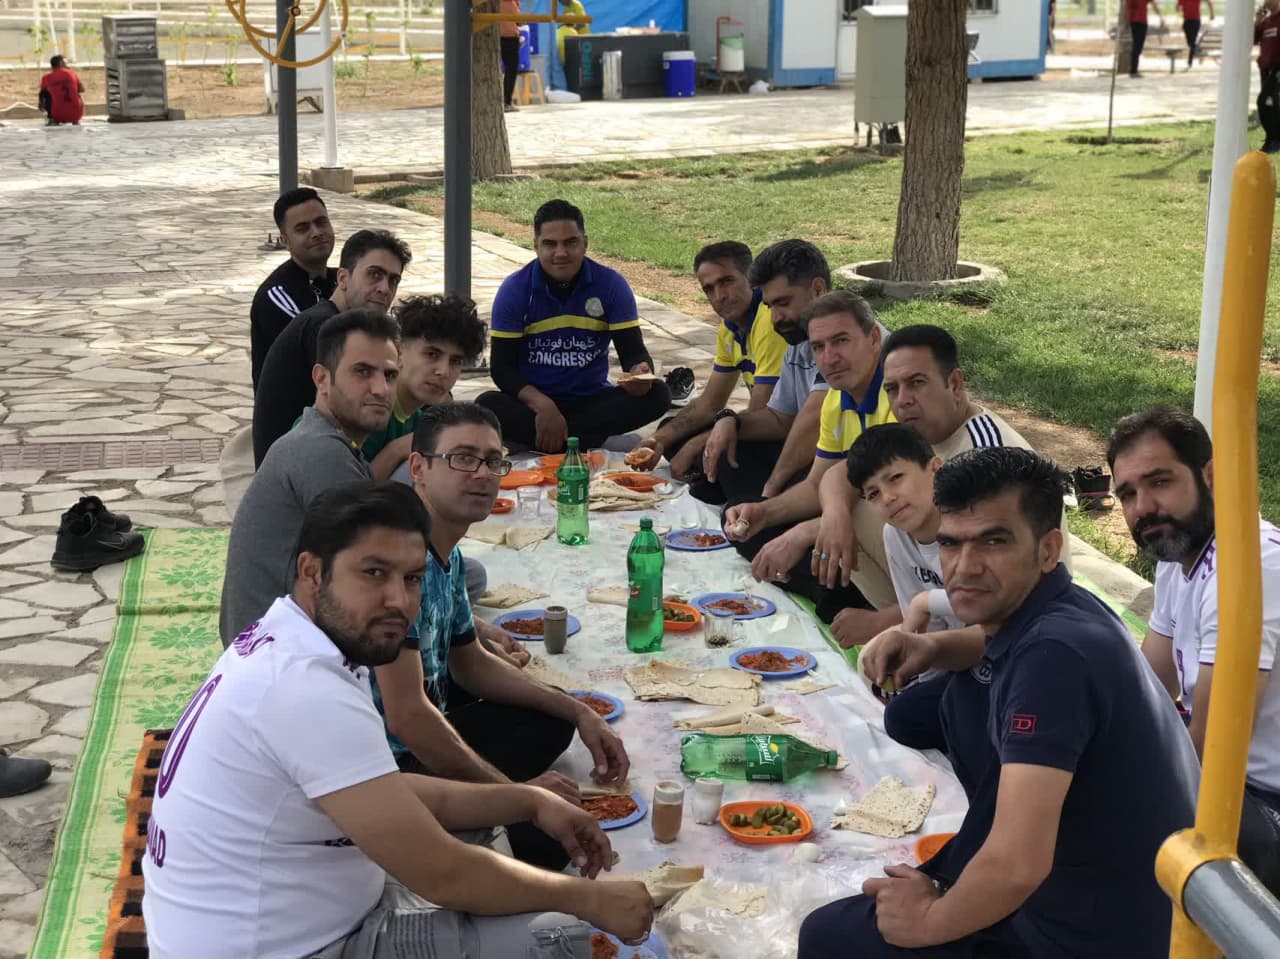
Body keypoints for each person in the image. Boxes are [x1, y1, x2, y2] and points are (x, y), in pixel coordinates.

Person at [145, 481, 653, 958]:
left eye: (411, 579)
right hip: (300, 947)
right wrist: (589, 901)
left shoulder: (294, 641)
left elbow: (390, 790)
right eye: (374, 573)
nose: (399, 601)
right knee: (561, 937)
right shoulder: (305, 690)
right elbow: (442, 874)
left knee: (500, 839)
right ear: (312, 572)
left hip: (290, 919)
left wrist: (528, 800)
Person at [802, 447, 1199, 959]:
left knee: (828, 936)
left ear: (1049, 549)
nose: (965, 567)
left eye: (994, 541)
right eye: (951, 543)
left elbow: (1017, 866)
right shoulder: (1068, 609)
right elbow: (995, 644)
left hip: (1088, 935)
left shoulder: (1054, 659)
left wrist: (928, 920)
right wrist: (932, 647)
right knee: (962, 693)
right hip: (1137, 899)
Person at [370, 402, 630, 870]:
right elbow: (407, 718)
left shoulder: (444, 550)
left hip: (428, 727)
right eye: (462, 458)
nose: (482, 474)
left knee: (552, 717)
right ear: (418, 469)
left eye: (493, 461)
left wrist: (579, 709)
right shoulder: (400, 565)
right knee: (550, 841)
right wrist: (518, 795)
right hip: (387, 771)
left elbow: (469, 661)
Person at [812, 324, 1072, 648]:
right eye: (892, 389)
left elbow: (1004, 576)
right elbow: (846, 471)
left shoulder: (987, 453)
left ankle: (902, 621)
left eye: (916, 383)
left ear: (955, 384)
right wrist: (832, 516)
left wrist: (886, 623)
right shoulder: (923, 434)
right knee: (860, 513)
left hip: (1014, 612)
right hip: (948, 594)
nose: (903, 401)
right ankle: (908, 619)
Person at [1109, 405, 1280, 895]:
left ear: (1211, 476)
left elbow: (1210, 742)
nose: (1143, 507)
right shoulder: (1178, 555)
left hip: (1263, 800)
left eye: (1159, 482)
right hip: (1235, 781)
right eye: (1128, 493)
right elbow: (1147, 685)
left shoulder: (1249, 565)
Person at [220, 309, 399, 646]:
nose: (380, 389)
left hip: (275, 639)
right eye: (362, 372)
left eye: (390, 375)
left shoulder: (323, 438)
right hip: (278, 653)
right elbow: (373, 575)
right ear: (322, 379)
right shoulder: (321, 452)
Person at [724, 291, 896, 621]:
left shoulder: (897, 396)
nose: (829, 358)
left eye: (841, 341)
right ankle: (832, 589)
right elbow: (818, 482)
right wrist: (765, 512)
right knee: (743, 519)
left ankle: (844, 594)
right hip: (856, 519)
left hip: (894, 523)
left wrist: (804, 532)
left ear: (874, 338)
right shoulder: (836, 398)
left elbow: (891, 505)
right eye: (818, 347)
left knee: (839, 527)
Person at [476, 199, 669, 452]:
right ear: (535, 245)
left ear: (585, 243)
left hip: (592, 401)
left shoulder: (611, 285)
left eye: (570, 242)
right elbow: (502, 369)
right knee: (485, 405)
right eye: (550, 244)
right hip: (534, 403)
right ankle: (591, 441)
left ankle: (553, 441)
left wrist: (640, 373)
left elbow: (633, 353)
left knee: (659, 394)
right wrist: (544, 407)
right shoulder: (515, 290)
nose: (561, 253)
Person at [628, 241, 786, 500]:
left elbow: (761, 416)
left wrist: (696, 445)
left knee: (722, 450)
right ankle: (711, 479)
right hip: (762, 427)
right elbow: (710, 403)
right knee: (673, 429)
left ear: (751, 279)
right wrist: (658, 440)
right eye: (709, 289)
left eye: (726, 282)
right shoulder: (730, 328)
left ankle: (731, 488)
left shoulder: (769, 322)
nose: (718, 297)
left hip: (783, 434)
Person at [252, 229, 410, 468]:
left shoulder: (334, 321)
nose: (384, 288)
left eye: (393, 280)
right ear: (343, 278)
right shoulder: (324, 327)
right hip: (301, 467)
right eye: (374, 274)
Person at [703, 240, 833, 511]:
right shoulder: (798, 341)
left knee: (745, 516)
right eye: (770, 306)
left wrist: (768, 495)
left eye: (783, 303)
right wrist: (729, 420)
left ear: (818, 289)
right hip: (814, 461)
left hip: (844, 470)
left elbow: (812, 421)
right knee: (730, 448)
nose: (775, 318)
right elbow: (779, 417)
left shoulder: (843, 341)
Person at [362, 294, 488, 481]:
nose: (443, 371)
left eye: (455, 361)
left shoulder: (417, 418)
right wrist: (396, 451)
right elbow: (346, 490)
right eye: (432, 354)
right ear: (399, 352)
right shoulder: (370, 406)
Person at [250, 188, 337, 389]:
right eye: (303, 228)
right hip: (297, 408)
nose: (317, 233)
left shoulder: (339, 279)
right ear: (285, 240)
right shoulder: (276, 296)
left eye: (321, 222)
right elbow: (330, 348)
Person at [1257, 0, 1280, 152]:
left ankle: (1274, 139)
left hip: (1276, 69)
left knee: (1265, 102)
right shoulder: (1265, 22)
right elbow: (1253, 40)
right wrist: (1257, 21)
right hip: (1265, 68)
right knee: (1269, 104)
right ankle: (1271, 139)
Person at [39, 55, 83, 126]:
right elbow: (82, 90)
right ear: (60, 63)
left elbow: (42, 95)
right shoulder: (72, 73)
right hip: (76, 115)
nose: (67, 65)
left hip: (58, 116)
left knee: (45, 93)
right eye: (66, 63)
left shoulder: (46, 78)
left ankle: (52, 118)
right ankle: (75, 120)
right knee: (76, 90)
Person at [1127, 0, 1163, 78]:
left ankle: (1133, 69)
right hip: (1141, 21)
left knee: (1136, 45)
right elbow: (1154, 4)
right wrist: (1160, 16)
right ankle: (1133, 70)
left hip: (1132, 21)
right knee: (1138, 46)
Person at [500, 0, 522, 112]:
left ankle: (503, 101)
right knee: (511, 70)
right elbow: (519, 20)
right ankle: (506, 101)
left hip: (497, 37)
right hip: (510, 38)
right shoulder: (510, 2)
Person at [1180, 0, 1214, 67]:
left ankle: (1190, 62)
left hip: (1195, 21)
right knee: (1191, 43)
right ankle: (1199, 51)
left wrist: (1211, 14)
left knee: (1192, 42)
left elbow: (1209, 2)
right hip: (1187, 21)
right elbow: (1178, 7)